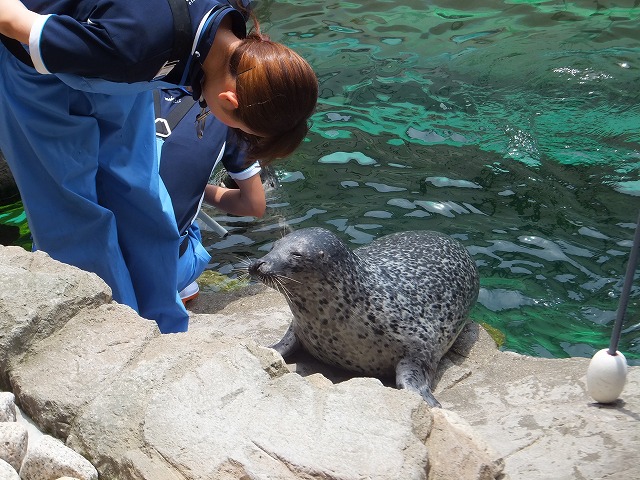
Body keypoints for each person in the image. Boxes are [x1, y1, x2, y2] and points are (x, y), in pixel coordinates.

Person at [0, 0, 318, 333]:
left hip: (125, 71)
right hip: (41, 73)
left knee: (140, 193)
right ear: (229, 100)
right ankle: (111, 335)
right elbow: (10, 19)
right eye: (241, 130)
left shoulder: (232, 12)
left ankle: (162, 327)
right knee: (70, 214)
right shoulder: (133, 47)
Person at [154, 87, 267, 304]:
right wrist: (197, 187)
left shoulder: (130, 90)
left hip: (104, 250)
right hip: (166, 270)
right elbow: (255, 205)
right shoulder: (226, 115)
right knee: (188, 215)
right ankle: (180, 283)